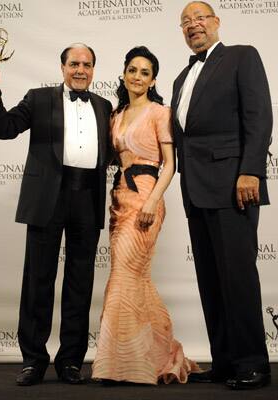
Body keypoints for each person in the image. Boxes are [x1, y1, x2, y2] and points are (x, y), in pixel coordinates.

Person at [0, 43, 112, 385]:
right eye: (73, 63)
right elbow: (4, 128)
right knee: (38, 280)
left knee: (81, 283)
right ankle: (33, 360)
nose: (80, 69)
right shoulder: (38, 98)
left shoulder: (104, 106)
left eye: (86, 64)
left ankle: (70, 361)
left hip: (88, 197)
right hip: (47, 198)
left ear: (94, 69)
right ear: (62, 67)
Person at [171, 1, 272, 390]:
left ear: (216, 23)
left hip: (234, 185)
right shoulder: (182, 77)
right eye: (185, 22)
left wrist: (251, 170)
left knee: (238, 277)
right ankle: (226, 360)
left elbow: (259, 116)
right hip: (195, 190)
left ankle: (253, 364)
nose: (193, 26)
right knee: (211, 279)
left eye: (200, 19)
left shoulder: (242, 57)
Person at [92, 46, 199, 385]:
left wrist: (153, 200)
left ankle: (116, 365)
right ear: (124, 73)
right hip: (119, 199)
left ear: (153, 80)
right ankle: (146, 357)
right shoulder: (116, 114)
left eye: (145, 72)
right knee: (133, 280)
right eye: (133, 70)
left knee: (125, 277)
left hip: (146, 198)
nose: (138, 77)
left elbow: (171, 164)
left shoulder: (159, 112)